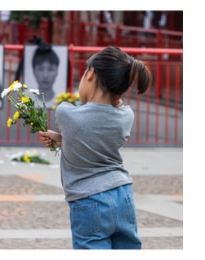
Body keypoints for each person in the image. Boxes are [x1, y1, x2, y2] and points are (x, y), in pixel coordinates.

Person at [37, 46, 152, 249]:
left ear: (90, 74)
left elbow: (83, 124)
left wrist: (64, 137)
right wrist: (64, 139)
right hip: (122, 193)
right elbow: (97, 136)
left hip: (88, 199)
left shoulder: (66, 113)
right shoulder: (126, 116)